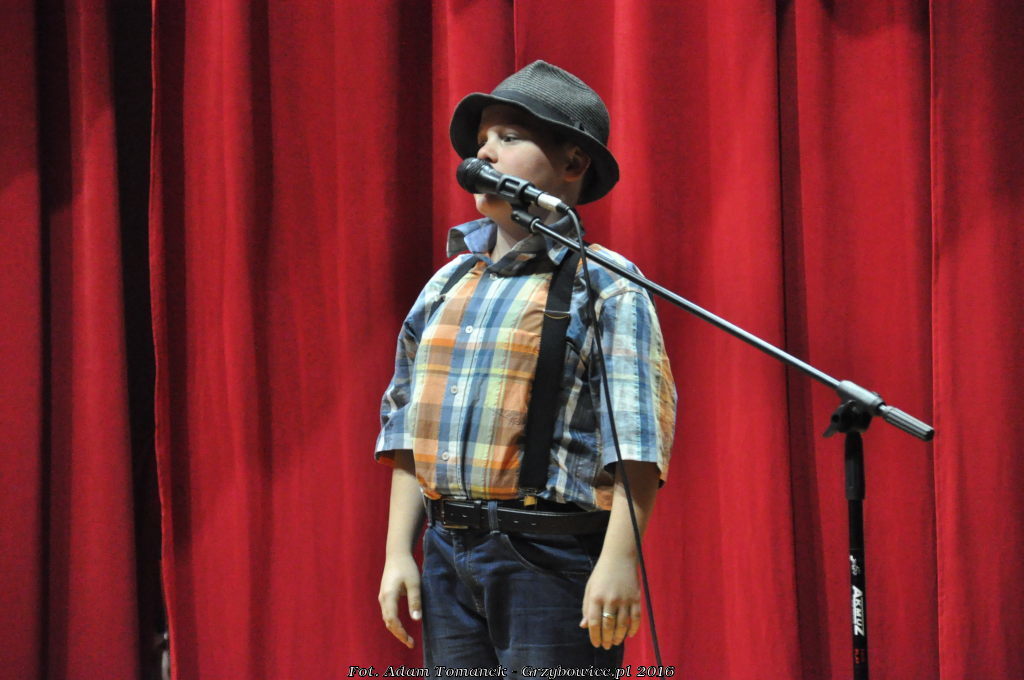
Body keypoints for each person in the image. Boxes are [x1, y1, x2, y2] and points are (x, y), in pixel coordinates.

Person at [375, 60, 676, 670]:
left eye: (509, 137)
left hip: (549, 557)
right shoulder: (447, 284)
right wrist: (397, 553)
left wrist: (619, 559)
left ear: (573, 164)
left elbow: (637, 441)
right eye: (481, 140)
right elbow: (405, 426)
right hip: (447, 550)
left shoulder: (606, 285)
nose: (485, 153)